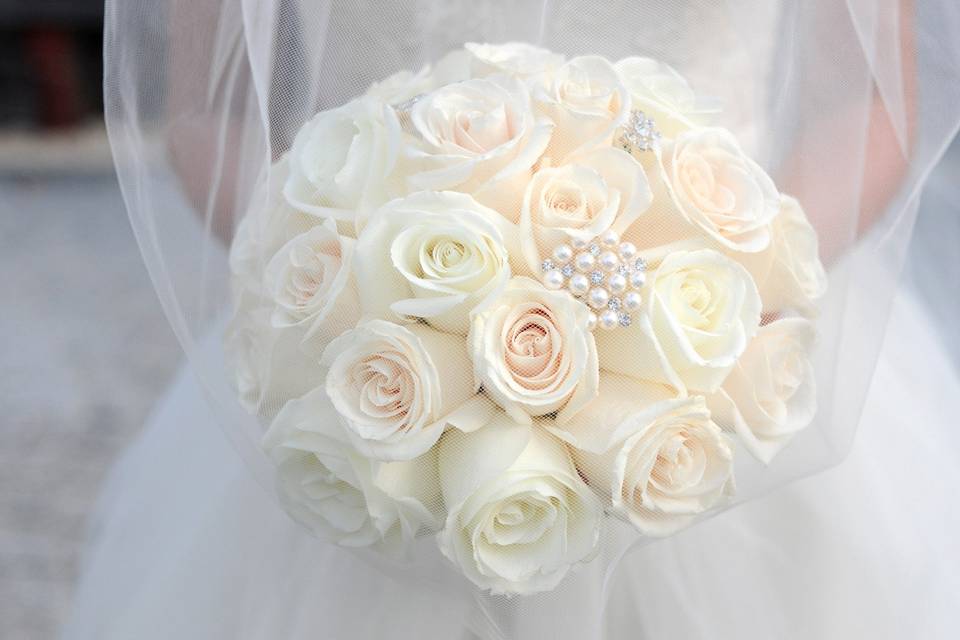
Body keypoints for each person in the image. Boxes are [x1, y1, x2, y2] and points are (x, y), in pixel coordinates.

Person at [65, 1, 960, 638]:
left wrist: (723, 302)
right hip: (370, 357)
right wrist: (342, 286)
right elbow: (204, 112)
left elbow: (869, 104)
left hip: (728, 338)